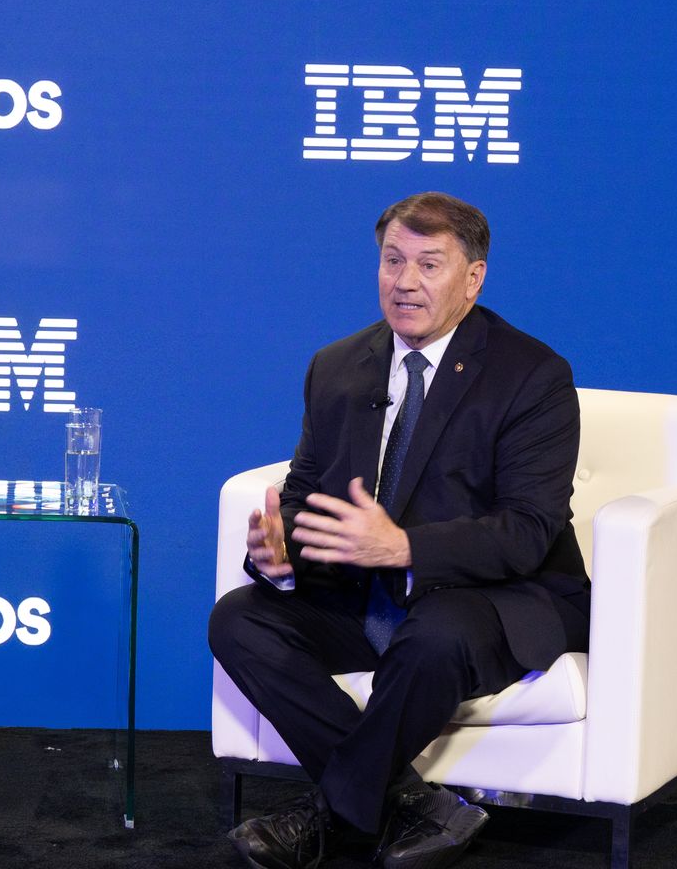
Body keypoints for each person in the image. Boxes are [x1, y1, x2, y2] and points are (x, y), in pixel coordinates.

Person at [208, 192, 589, 869]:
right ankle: (414, 803)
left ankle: (328, 814)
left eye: (429, 265)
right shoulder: (337, 366)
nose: (405, 282)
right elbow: (303, 497)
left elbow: (529, 530)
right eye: (392, 261)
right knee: (240, 619)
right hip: (369, 595)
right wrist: (280, 553)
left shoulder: (532, 375)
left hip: (493, 597)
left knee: (435, 634)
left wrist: (406, 548)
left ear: (473, 278)